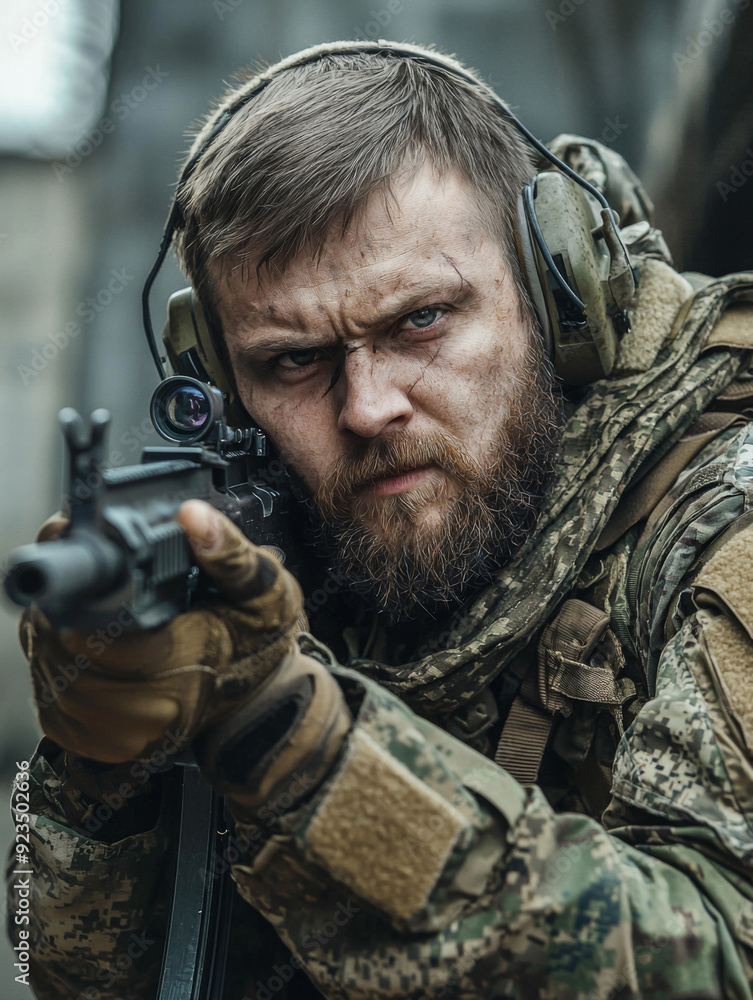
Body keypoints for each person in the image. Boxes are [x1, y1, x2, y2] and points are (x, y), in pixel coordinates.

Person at [8, 40, 753, 999]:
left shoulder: (720, 521)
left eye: (421, 321)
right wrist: (107, 772)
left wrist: (292, 742)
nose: (366, 409)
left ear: (555, 288)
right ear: (219, 380)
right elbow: (64, 969)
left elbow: (720, 964)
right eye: (293, 361)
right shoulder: (277, 538)